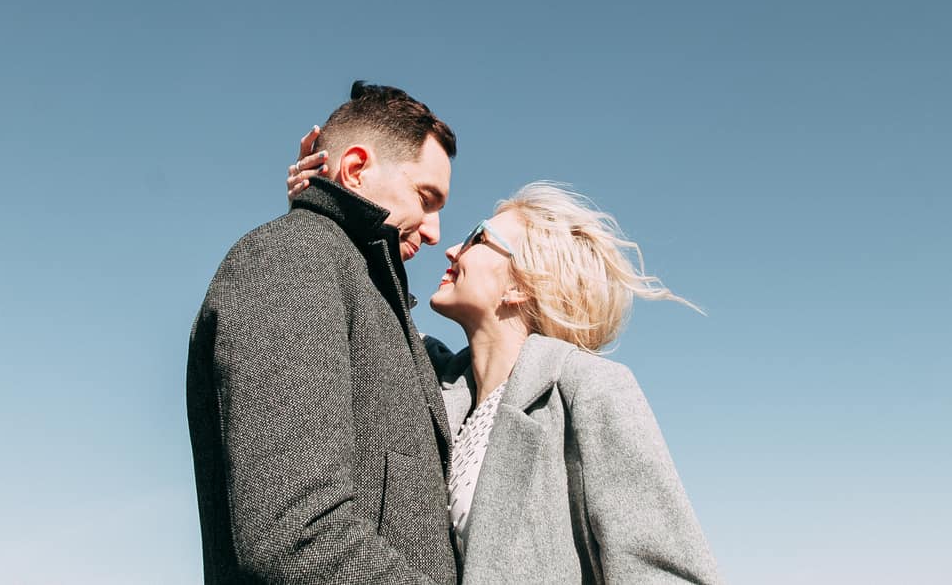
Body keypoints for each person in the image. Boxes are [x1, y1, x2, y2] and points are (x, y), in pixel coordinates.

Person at [288, 145, 723, 584]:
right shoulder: (430, 382)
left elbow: (664, 572)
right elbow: (358, 320)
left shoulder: (588, 386)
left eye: (478, 238)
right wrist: (321, 215)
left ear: (521, 284)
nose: (451, 248)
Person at [187, 82, 460, 585]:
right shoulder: (292, 256)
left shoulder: (365, 291)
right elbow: (296, 532)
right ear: (356, 169)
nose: (435, 230)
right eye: (426, 197)